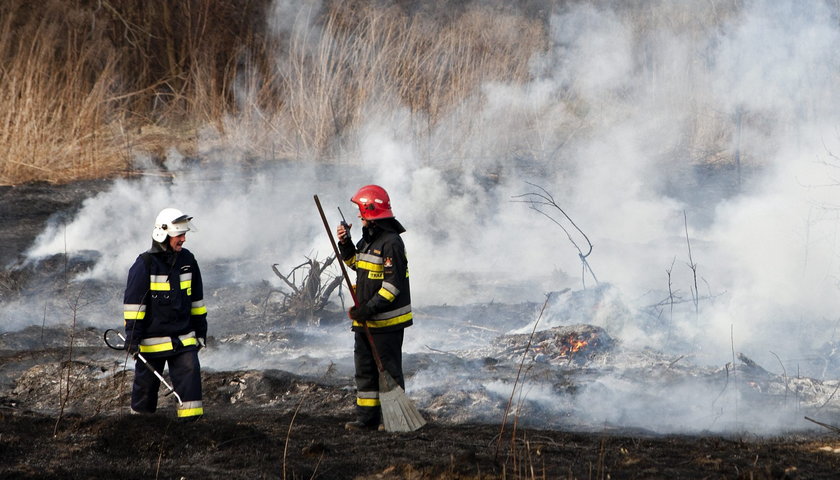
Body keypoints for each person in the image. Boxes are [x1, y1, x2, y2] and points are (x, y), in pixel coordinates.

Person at [336, 185, 413, 431]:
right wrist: (346, 243)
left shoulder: (392, 243)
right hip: (366, 322)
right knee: (366, 372)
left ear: (371, 211)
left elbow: (392, 287)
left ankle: (398, 422)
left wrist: (368, 309)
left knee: (389, 372)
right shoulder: (369, 240)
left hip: (386, 323)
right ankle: (366, 420)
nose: (359, 216)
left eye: (361, 211)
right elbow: (355, 264)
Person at [122, 207, 208, 420]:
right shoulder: (145, 265)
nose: (183, 239)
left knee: (191, 386)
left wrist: (200, 332)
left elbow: (197, 302)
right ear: (163, 234)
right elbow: (134, 307)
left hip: (183, 340)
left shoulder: (188, 262)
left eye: (184, 234)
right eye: (179, 235)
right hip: (151, 343)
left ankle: (192, 427)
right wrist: (132, 338)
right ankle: (138, 430)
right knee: (144, 393)